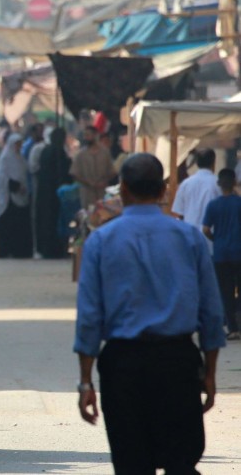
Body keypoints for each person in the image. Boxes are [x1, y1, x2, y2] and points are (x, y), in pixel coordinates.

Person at [75, 153, 225, 474]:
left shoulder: (101, 240)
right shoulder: (190, 238)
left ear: (124, 189)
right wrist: (210, 373)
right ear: (164, 190)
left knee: (131, 464)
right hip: (178, 363)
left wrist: (86, 382)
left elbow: (90, 317)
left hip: (123, 367)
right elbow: (212, 313)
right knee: (181, 462)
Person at [203, 168, 241, 340]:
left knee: (225, 292)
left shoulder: (213, 205)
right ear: (234, 183)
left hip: (220, 254)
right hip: (239, 252)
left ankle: (232, 328)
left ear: (219, 184)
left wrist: (216, 238)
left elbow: (205, 229)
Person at [0, 134, 32, 258]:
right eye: (17, 144)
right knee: (7, 225)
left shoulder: (20, 158)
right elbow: (2, 178)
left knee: (20, 226)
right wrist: (15, 186)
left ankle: (20, 251)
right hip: (8, 197)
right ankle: (6, 251)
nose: (19, 147)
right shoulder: (5, 158)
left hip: (21, 197)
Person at [35, 128, 72, 258]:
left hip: (47, 192)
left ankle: (49, 248)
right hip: (52, 192)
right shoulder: (56, 152)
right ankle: (53, 249)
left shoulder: (48, 151)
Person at [70, 126, 117, 209]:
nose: (86, 137)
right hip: (87, 193)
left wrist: (104, 181)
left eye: (88, 135)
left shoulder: (105, 152)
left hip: (102, 192)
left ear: (95, 135)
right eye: (85, 135)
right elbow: (74, 173)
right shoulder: (81, 154)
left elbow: (112, 171)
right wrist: (88, 183)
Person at [173, 148, 220, 230]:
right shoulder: (218, 184)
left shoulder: (185, 184)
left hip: (190, 235)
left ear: (197, 164)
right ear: (213, 163)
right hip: (211, 236)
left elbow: (179, 213)